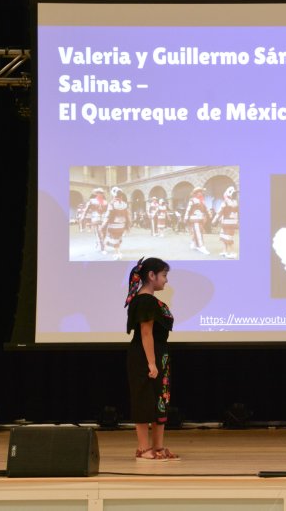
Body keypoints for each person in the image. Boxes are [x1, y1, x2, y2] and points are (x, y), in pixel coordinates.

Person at [125, 257, 179, 462]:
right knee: (144, 398)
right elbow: (146, 333)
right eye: (164, 276)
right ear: (151, 276)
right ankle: (143, 448)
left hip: (159, 354)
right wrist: (151, 363)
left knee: (160, 398)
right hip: (145, 355)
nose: (166, 280)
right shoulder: (144, 301)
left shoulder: (152, 300)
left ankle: (158, 447)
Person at [100, 187, 131, 259]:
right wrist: (128, 225)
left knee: (113, 239)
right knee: (117, 238)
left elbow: (107, 215)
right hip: (122, 225)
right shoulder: (125, 204)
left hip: (113, 225)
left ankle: (117, 253)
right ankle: (116, 252)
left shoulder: (112, 204)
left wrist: (103, 225)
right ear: (121, 196)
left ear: (114, 196)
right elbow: (128, 216)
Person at [213, 186, 239, 258]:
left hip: (227, 223)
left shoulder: (225, 202)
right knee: (224, 237)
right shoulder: (235, 202)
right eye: (233, 193)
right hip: (231, 222)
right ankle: (224, 251)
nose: (234, 195)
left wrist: (214, 220)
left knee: (228, 238)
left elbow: (220, 212)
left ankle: (233, 253)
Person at [185, 187, 212, 255]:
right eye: (199, 192)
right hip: (194, 219)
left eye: (201, 192)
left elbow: (206, 209)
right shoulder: (192, 200)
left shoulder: (202, 201)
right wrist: (186, 217)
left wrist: (209, 214)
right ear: (195, 193)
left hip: (201, 219)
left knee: (198, 231)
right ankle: (201, 246)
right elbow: (188, 209)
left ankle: (194, 243)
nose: (200, 193)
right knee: (198, 232)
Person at [81, 187, 108, 253]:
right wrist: (83, 216)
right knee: (99, 233)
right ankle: (103, 249)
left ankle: (98, 242)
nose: (100, 194)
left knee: (104, 234)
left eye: (101, 193)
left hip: (104, 219)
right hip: (95, 219)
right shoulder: (92, 201)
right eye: (98, 193)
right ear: (96, 194)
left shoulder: (105, 202)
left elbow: (108, 211)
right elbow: (86, 209)